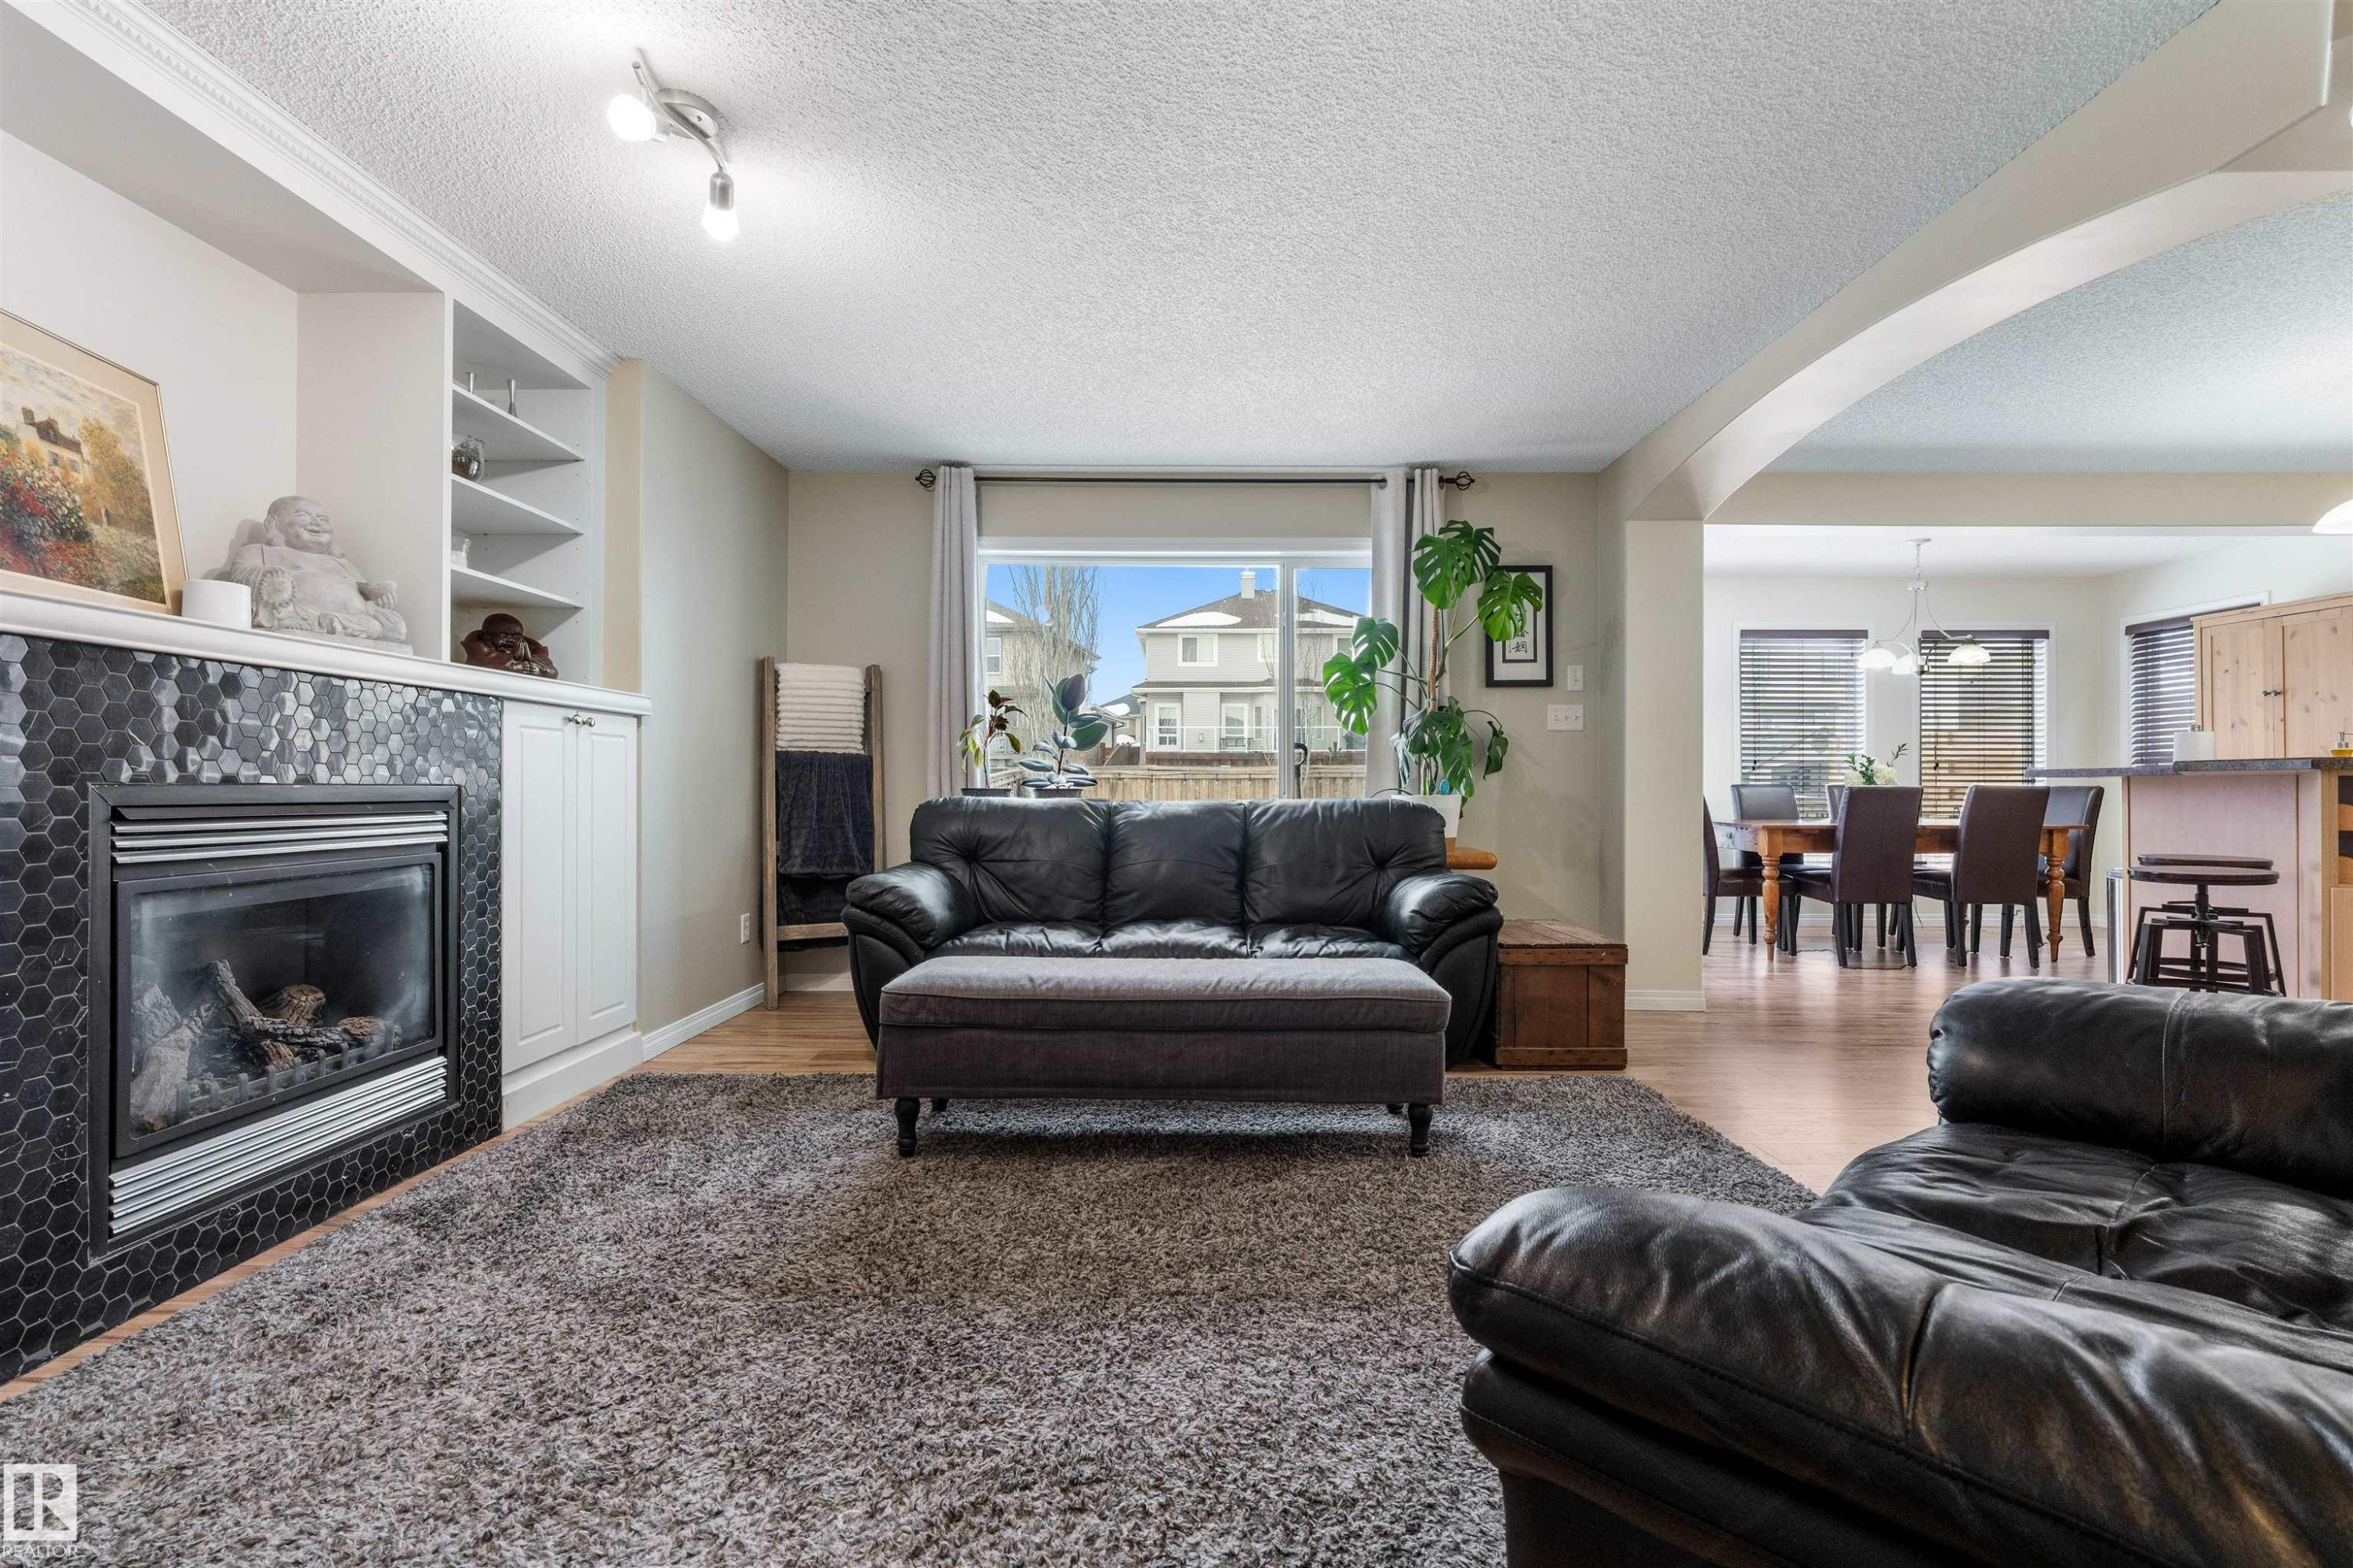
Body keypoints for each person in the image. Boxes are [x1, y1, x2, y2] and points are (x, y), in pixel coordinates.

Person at [219, 495, 408, 646]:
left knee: (397, 628)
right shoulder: (259, 552)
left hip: (355, 616)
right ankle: (323, 623)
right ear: (273, 524)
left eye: (323, 519)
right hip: (295, 614)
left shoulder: (344, 565)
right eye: (302, 515)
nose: (316, 522)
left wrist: (376, 594)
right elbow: (241, 578)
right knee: (372, 628)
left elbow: (361, 589)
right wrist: (274, 578)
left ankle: (335, 623)